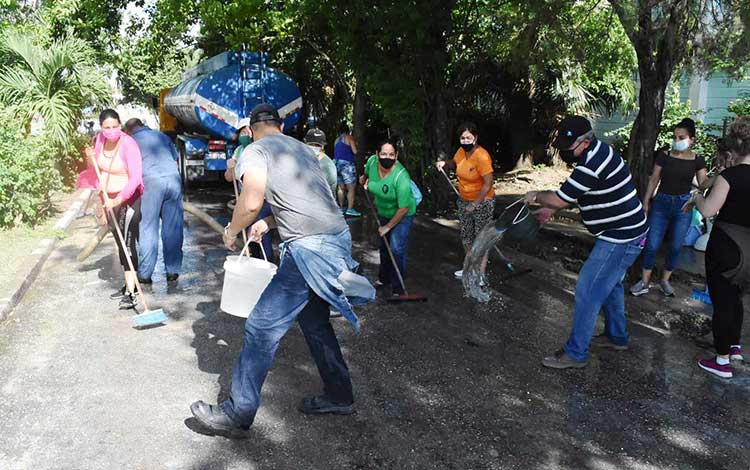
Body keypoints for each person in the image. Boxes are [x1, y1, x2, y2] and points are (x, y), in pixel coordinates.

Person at [190, 103, 373, 436]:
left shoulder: (256, 150)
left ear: (251, 129)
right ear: (280, 125)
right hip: (335, 239)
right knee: (315, 323)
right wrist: (271, 223)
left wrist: (232, 230)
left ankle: (237, 413)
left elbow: (249, 201)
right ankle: (339, 394)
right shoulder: (302, 150)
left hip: (309, 250)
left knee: (261, 325)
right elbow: (317, 201)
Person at [524, 116, 648, 369]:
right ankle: (617, 336)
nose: (565, 151)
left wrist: (537, 196)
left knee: (588, 291)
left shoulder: (592, 164)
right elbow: (580, 193)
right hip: (627, 231)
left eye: (569, 146)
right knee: (610, 285)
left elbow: (560, 198)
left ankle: (575, 353)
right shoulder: (598, 152)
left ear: (586, 141)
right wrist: (553, 210)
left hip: (621, 236)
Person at [686, 117, 750, 379]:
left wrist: (696, 197)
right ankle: (734, 347)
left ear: (733, 153)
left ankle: (721, 360)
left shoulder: (730, 176)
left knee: (722, 301)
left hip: (727, 246)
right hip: (749, 249)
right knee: (737, 299)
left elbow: (709, 209)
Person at [630, 118, 708, 297]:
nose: (677, 141)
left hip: (683, 206)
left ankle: (665, 280)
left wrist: (720, 174)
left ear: (691, 139)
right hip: (661, 203)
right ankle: (644, 281)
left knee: (675, 247)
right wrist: (645, 202)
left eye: (681, 137)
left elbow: (703, 183)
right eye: (675, 137)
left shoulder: (698, 160)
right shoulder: (664, 155)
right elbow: (654, 179)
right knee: (652, 244)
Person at [77, 109, 143, 310]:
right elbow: (96, 167)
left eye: (115, 126)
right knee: (118, 241)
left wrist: (119, 199)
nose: (112, 131)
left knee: (128, 243)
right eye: (107, 127)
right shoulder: (99, 140)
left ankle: (132, 293)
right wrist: (90, 157)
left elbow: (136, 178)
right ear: (101, 128)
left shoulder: (129, 145)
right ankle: (129, 284)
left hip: (129, 198)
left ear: (120, 125)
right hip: (109, 197)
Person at [124, 118, 183, 285]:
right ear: (142, 126)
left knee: (148, 227)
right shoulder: (161, 136)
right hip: (173, 181)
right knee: (173, 227)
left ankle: (145, 273)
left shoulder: (130, 141)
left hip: (151, 184)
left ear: (128, 130)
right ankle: (173, 270)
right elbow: (174, 157)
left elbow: (129, 170)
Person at [435, 122, 495, 283]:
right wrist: (445, 163)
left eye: (469, 137)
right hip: (463, 199)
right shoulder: (461, 151)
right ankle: (470, 268)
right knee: (467, 237)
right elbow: (455, 163)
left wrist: (474, 204)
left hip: (482, 202)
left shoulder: (482, 156)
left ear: (475, 138)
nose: (465, 141)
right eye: (462, 138)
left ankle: (480, 274)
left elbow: (488, 183)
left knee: (481, 238)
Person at [360, 140, 417, 296]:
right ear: (377, 154)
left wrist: (388, 226)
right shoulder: (372, 162)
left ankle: (398, 286)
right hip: (383, 211)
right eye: (384, 154)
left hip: (402, 214)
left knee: (396, 249)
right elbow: (366, 172)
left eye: (391, 154)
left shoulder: (401, 176)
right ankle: (384, 278)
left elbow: (404, 207)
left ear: (396, 156)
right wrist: (364, 178)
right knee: (384, 247)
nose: (387, 157)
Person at [225, 117, 274, 261]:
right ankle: (254, 262)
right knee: (249, 235)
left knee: (263, 236)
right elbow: (229, 177)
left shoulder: (261, 149)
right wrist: (231, 168)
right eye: (242, 131)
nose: (245, 134)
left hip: (263, 200)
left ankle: (267, 264)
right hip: (245, 199)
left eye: (248, 130)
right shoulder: (238, 151)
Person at [334, 123, 361, 216]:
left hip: (337, 164)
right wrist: (356, 145)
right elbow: (355, 151)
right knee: (351, 188)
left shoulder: (336, 140)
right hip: (347, 164)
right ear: (347, 130)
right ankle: (350, 209)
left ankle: (341, 208)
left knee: (341, 188)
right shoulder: (349, 137)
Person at [305, 128, 337, 196]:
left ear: (323, 146)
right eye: (311, 144)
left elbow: (330, 195)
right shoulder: (300, 159)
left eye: (317, 145)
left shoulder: (328, 167)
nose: (313, 147)